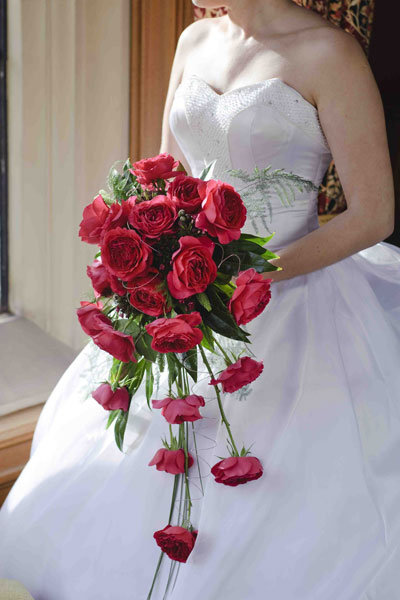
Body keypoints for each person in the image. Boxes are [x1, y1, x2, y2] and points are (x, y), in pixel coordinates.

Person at [1, 1, 400, 599]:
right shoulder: (194, 41)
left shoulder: (331, 55)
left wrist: (252, 274)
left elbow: (374, 214)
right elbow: (165, 176)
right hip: (184, 298)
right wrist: (142, 251)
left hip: (294, 302)